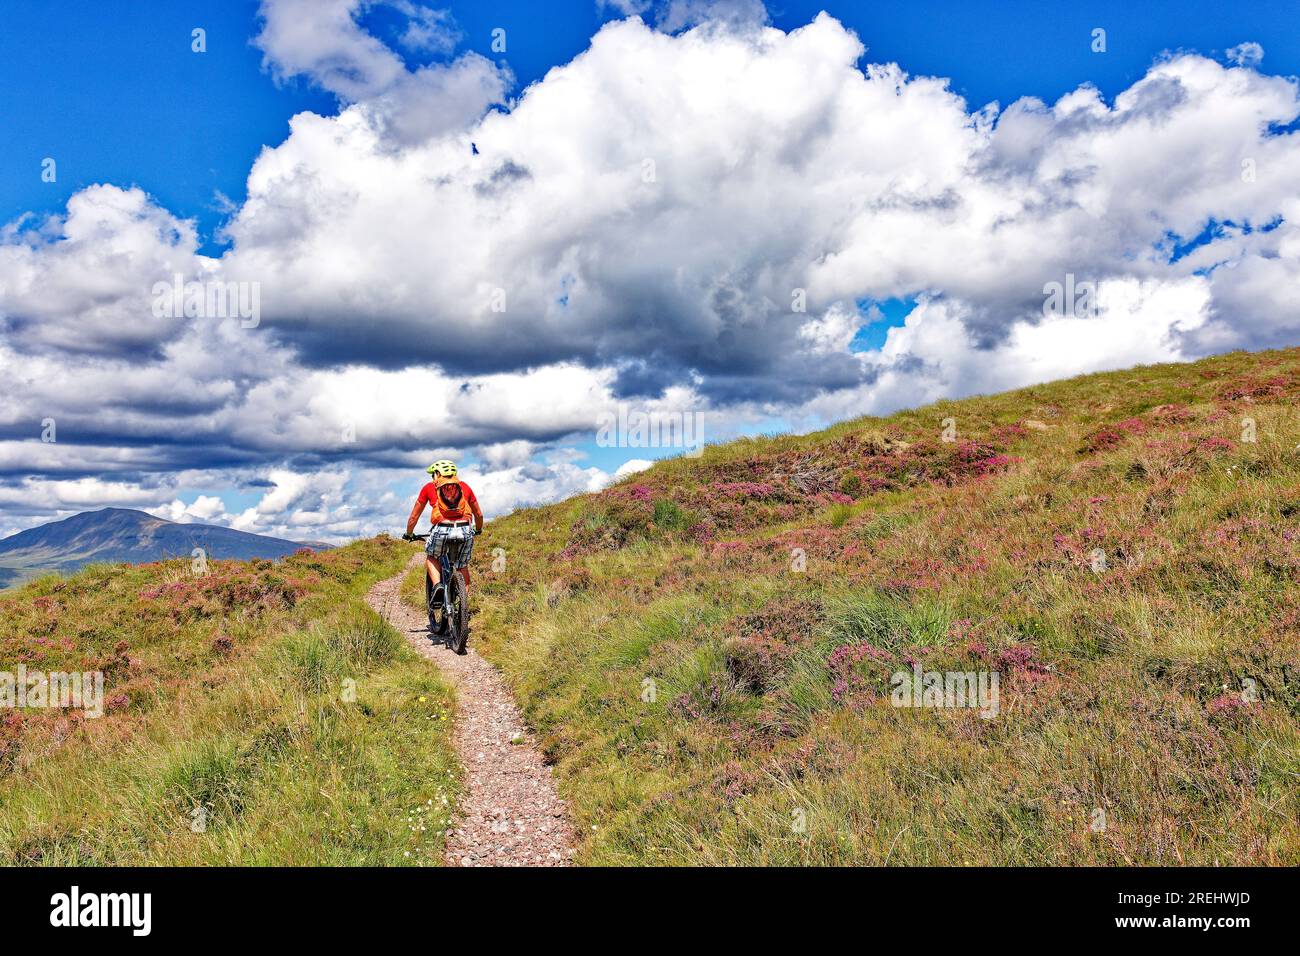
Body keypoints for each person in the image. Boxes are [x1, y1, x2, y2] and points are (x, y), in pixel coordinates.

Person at [403, 460, 483, 596]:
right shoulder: (465, 487)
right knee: (462, 564)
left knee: (432, 557)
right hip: (465, 529)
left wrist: (409, 533)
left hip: (442, 528)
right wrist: (478, 529)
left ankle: (438, 586)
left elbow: (413, 517)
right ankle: (462, 604)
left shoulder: (429, 487)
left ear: (437, 474)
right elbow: (479, 515)